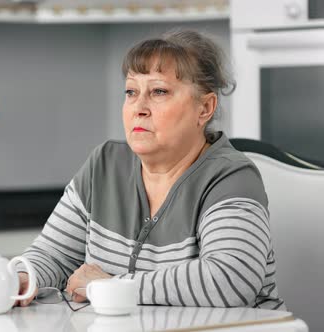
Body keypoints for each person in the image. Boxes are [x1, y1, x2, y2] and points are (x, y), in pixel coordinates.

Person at [15, 29, 285, 310]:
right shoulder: (104, 165)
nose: (138, 108)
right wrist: (23, 276)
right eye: (131, 92)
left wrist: (111, 286)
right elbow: (55, 255)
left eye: (159, 91)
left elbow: (229, 280)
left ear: (205, 108)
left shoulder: (231, 177)